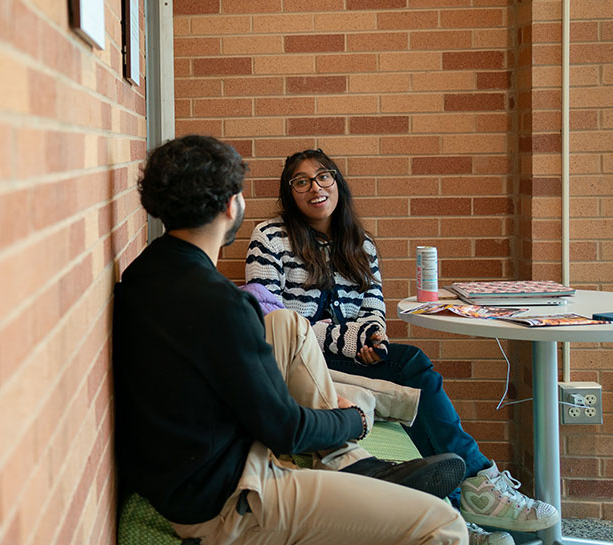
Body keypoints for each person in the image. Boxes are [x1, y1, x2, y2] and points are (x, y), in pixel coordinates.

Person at [114, 135, 469, 545]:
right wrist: (353, 420)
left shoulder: (144, 272)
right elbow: (285, 429)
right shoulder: (220, 304)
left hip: (194, 469)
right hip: (230, 499)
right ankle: (357, 448)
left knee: (286, 323)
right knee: (442, 523)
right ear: (232, 205)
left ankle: (352, 465)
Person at [246, 148, 561, 545]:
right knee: (413, 365)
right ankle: (475, 485)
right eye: (301, 181)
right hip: (300, 363)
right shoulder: (270, 237)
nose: (315, 187)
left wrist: (374, 340)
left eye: (324, 176)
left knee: (408, 367)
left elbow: (373, 309)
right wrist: (351, 339)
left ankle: (460, 505)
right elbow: (272, 321)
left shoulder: (360, 243)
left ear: (337, 182)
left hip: (350, 358)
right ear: (289, 192)